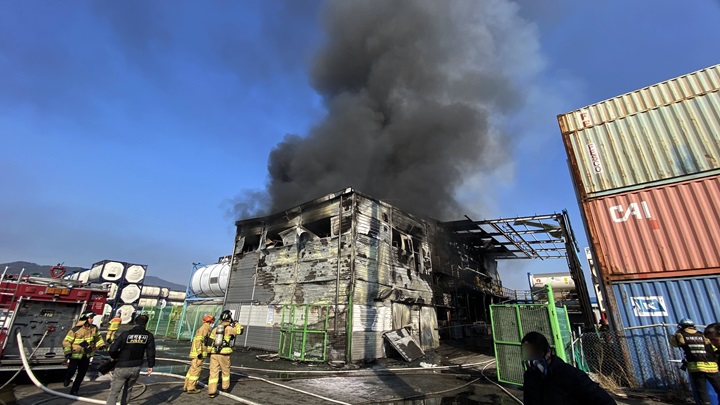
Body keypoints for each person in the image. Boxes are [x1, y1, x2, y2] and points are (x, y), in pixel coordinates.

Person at [521, 331, 616, 405]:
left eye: (535, 353)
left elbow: (605, 401)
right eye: (528, 354)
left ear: (548, 352)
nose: (531, 359)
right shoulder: (530, 377)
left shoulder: (570, 375)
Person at [106, 314, 156, 405]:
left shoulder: (126, 334)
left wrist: (116, 357)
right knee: (128, 390)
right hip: (135, 367)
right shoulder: (149, 336)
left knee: (114, 392)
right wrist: (150, 365)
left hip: (122, 365)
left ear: (135, 322)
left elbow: (113, 349)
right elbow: (151, 352)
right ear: (146, 323)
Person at [670, 318, 720, 405]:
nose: (712, 342)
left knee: (702, 392)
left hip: (696, 368)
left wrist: (676, 334)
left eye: (714, 340)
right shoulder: (702, 335)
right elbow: (713, 349)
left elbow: (674, 343)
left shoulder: (681, 335)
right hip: (712, 367)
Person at [62, 310, 106, 396]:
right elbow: (66, 341)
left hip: (86, 355)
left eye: (92, 318)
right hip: (75, 355)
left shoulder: (94, 328)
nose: (92, 320)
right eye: (90, 318)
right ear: (85, 318)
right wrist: (67, 352)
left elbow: (98, 338)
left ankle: (74, 390)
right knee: (72, 370)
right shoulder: (76, 329)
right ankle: (67, 378)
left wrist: (101, 345)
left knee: (81, 374)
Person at [207, 310, 241, 398]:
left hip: (214, 353)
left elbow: (210, 340)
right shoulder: (229, 328)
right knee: (225, 371)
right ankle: (225, 388)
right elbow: (239, 331)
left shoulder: (215, 329)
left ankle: (211, 391)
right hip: (224, 353)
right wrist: (236, 323)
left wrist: (208, 351)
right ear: (229, 318)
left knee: (213, 372)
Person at [184, 314, 215, 394]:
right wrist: (199, 352)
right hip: (198, 354)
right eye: (212, 321)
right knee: (196, 371)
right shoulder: (205, 328)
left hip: (196, 353)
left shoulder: (203, 328)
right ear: (210, 321)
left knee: (192, 369)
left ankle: (186, 385)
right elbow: (199, 341)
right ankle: (191, 388)